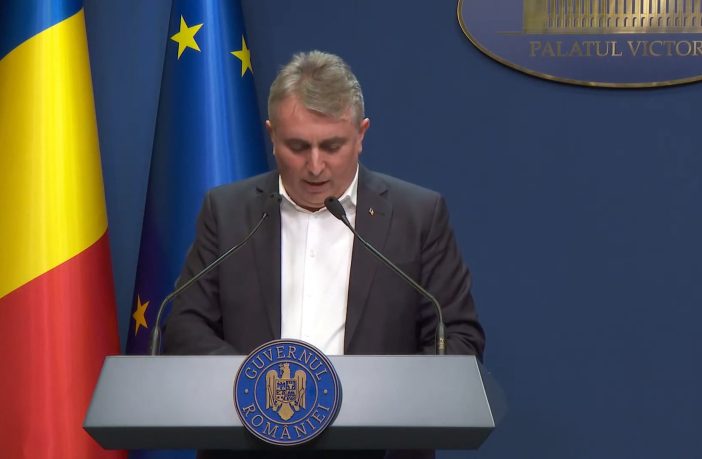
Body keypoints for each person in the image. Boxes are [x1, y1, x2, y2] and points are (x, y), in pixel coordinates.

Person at [163, 51, 486, 458]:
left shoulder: (417, 216)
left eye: (332, 146)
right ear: (272, 136)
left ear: (361, 134)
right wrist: (257, 386)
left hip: (377, 449)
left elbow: (457, 340)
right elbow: (184, 327)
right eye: (298, 146)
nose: (315, 166)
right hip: (248, 445)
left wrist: (375, 398)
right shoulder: (228, 213)